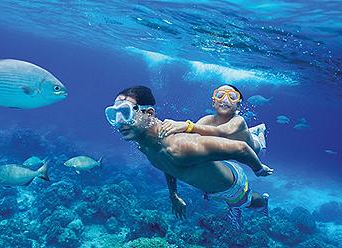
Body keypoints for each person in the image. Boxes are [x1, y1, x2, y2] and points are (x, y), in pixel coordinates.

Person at [104, 86, 273, 230]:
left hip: (232, 186)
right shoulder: (144, 145)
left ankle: (263, 200)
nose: (119, 122)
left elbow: (241, 148)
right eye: (113, 114)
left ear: (149, 113)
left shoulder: (179, 146)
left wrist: (258, 169)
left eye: (125, 112)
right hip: (209, 185)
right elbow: (167, 165)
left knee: (247, 202)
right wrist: (173, 196)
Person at [159, 84, 266, 154]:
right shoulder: (207, 120)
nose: (225, 100)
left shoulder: (239, 120)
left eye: (232, 97)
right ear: (213, 103)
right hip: (234, 143)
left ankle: (260, 131)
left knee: (258, 143)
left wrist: (188, 125)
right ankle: (253, 130)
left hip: (253, 147)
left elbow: (221, 131)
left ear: (238, 106)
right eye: (220, 95)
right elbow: (191, 137)